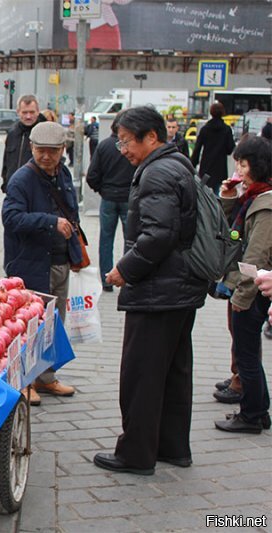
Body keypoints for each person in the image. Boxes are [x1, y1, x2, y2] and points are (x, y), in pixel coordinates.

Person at [94, 106, 207, 475]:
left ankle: (136, 454)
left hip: (159, 290)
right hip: (180, 288)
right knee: (173, 371)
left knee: (141, 374)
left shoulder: (157, 172)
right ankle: (173, 447)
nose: (122, 149)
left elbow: (159, 234)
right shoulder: (177, 164)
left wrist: (125, 270)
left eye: (126, 141)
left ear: (152, 138)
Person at [2, 121, 80, 406]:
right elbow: (11, 219)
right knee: (29, 325)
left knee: (53, 323)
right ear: (32, 148)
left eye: (53, 151)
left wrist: (74, 253)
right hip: (30, 264)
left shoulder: (63, 174)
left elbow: (71, 212)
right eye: (40, 150)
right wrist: (50, 223)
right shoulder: (22, 179)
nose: (46, 156)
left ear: (62, 150)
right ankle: (23, 382)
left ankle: (46, 377)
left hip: (58, 263)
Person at [214, 136, 272, 433]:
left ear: (257, 166)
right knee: (246, 350)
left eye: (243, 163)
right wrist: (228, 197)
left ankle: (252, 414)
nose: (238, 168)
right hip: (247, 285)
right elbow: (228, 234)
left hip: (254, 289)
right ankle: (259, 410)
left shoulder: (264, 204)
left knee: (247, 353)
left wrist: (242, 296)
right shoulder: (250, 197)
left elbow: (256, 257)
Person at [86, 112, 136, 291]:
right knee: (130, 239)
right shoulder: (133, 147)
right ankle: (125, 277)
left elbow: (92, 175)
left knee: (106, 239)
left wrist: (102, 189)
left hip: (108, 198)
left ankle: (107, 279)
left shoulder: (104, 146)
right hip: (129, 198)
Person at [0, 94, 46, 193]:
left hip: (37, 192)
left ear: (38, 112)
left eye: (32, 112)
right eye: (24, 112)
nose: (28, 116)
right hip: (14, 190)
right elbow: (6, 162)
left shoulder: (45, 132)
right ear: (18, 112)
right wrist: (6, 184)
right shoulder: (12, 132)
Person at [191, 102, 236, 195]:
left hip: (206, 169)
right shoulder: (227, 129)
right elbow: (230, 149)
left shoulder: (205, 129)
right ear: (223, 112)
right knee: (218, 196)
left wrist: (192, 165)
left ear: (211, 112)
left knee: (204, 197)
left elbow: (197, 149)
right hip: (220, 169)